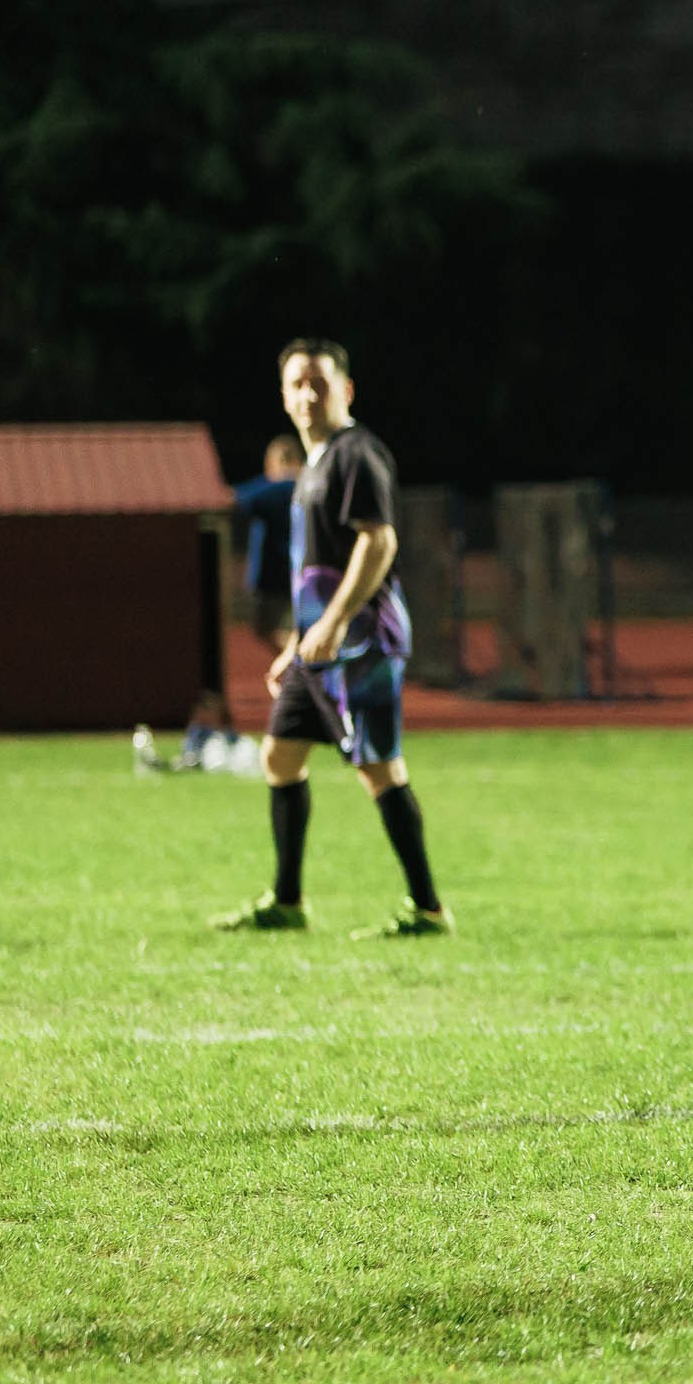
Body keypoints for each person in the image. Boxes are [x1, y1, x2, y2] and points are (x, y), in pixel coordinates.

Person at [213, 339, 451, 940]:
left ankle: (429, 911)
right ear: (284, 395)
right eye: (297, 383)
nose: (307, 394)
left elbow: (379, 542)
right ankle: (288, 903)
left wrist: (336, 621)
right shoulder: (312, 466)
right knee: (280, 756)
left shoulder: (356, 453)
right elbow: (318, 566)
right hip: (318, 646)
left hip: (360, 642)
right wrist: (299, 641)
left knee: (378, 768)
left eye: (319, 382)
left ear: (346, 390)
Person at [234, 435, 304, 649]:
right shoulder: (310, 486)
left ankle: (301, 669)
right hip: (306, 572)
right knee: (298, 630)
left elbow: (234, 499)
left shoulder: (276, 488)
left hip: (272, 578)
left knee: (266, 629)